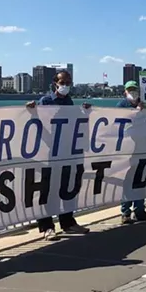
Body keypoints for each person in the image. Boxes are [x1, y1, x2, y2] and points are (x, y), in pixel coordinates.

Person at [26, 71, 91, 240]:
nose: (66, 85)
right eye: (63, 82)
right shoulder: (46, 101)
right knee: (47, 189)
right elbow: (38, 121)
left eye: (68, 82)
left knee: (66, 187)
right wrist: (32, 111)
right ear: (55, 83)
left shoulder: (69, 101)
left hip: (66, 151)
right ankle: (47, 227)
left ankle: (68, 222)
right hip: (48, 152)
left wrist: (85, 113)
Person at [116, 81, 146, 223]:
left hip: (144, 148)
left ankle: (140, 210)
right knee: (128, 181)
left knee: (141, 180)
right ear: (125, 92)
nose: (132, 92)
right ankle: (125, 212)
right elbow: (123, 123)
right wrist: (137, 111)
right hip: (128, 150)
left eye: (134, 90)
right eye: (129, 90)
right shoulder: (121, 106)